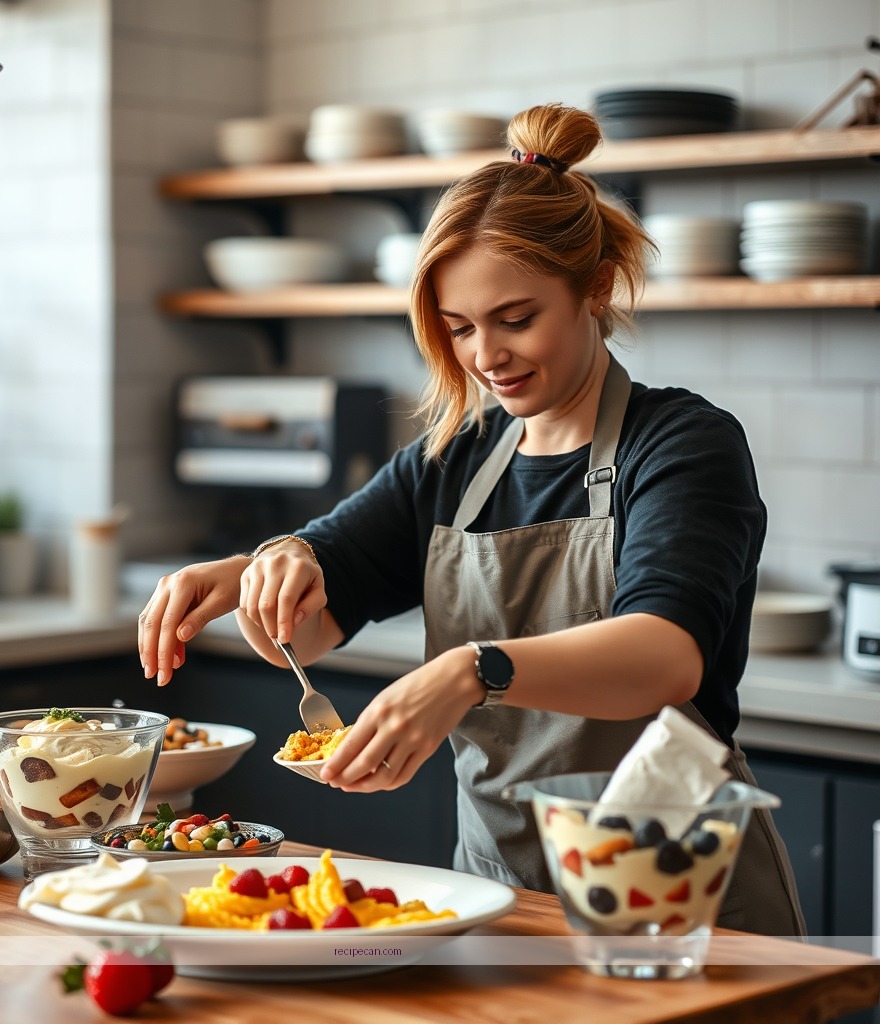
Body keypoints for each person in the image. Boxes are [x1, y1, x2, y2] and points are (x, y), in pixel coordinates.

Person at [138, 102, 805, 937]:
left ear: (595, 287)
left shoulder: (683, 443)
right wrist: (252, 576)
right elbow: (304, 636)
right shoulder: (456, 455)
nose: (486, 356)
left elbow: (664, 656)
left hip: (675, 896)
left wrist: (473, 669)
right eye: (459, 329)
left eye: (515, 319)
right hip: (501, 901)